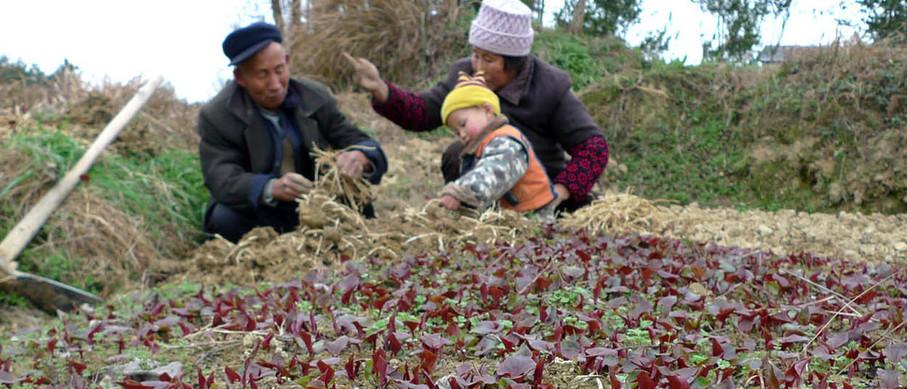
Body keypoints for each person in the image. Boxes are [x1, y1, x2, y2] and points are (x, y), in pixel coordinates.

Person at [347, 0, 607, 213]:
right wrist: (381, 89)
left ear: (514, 63)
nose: (478, 66)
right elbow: (423, 111)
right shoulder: (464, 75)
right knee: (455, 154)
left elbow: (593, 148)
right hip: (484, 191)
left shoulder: (549, 87)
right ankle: (469, 214)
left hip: (539, 193)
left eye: (489, 59)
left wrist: (559, 193)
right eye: (475, 54)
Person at [199, 22, 388, 242]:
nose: (275, 84)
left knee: (358, 201)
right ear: (241, 78)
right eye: (262, 75)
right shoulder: (218, 115)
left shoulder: (315, 96)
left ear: (287, 62)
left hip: (320, 204)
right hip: (262, 211)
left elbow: (361, 141)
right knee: (224, 220)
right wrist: (270, 188)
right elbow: (220, 176)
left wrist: (360, 156)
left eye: (279, 70)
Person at [438, 73, 555, 218]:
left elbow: (494, 171)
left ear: (487, 110)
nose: (461, 134)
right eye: (456, 132)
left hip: (533, 216)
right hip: (508, 218)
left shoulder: (507, 140)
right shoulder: (481, 145)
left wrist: (460, 192)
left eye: (463, 124)